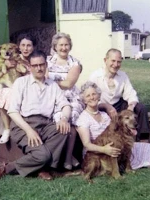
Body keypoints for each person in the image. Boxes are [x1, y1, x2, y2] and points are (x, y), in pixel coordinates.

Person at [0, 50, 72, 181]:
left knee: (64, 131)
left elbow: (66, 105)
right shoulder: (21, 82)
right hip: (23, 125)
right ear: (29, 67)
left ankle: (43, 168)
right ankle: (8, 167)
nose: (39, 68)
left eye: (41, 65)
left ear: (46, 65)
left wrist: (64, 118)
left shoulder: (52, 85)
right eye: (35, 65)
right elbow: (13, 111)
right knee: (42, 155)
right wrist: (29, 130)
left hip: (45, 124)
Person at [89, 48, 150, 141]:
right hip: (100, 106)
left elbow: (131, 94)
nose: (116, 65)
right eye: (113, 61)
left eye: (119, 62)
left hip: (118, 104)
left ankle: (142, 140)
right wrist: (106, 106)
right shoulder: (95, 76)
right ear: (105, 60)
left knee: (141, 108)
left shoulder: (123, 75)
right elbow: (91, 98)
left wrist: (131, 107)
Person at [0, 35, 36, 144]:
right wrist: (6, 67)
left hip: (30, 88)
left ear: (33, 47)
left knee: (7, 95)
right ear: (18, 47)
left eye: (29, 46)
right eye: (23, 45)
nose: (26, 48)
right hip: (14, 87)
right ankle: (7, 129)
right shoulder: (13, 59)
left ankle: (13, 128)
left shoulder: (36, 58)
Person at [46, 32, 84, 170]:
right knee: (57, 119)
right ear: (55, 46)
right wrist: (61, 80)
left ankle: (68, 157)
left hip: (71, 97)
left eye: (66, 44)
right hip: (53, 97)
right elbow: (43, 79)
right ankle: (64, 157)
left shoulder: (75, 63)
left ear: (70, 46)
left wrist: (51, 81)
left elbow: (69, 84)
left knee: (69, 121)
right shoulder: (47, 61)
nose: (63, 47)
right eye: (61, 45)